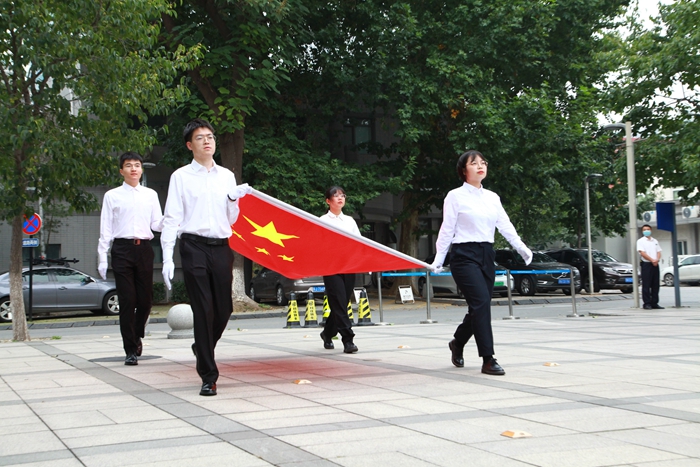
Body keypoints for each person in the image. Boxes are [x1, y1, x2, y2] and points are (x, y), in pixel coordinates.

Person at [161, 118, 251, 396]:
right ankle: (208, 376)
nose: (207, 141)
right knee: (203, 308)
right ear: (190, 145)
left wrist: (234, 200)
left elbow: (232, 219)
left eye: (210, 136)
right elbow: (171, 218)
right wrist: (166, 257)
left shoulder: (226, 176)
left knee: (224, 309)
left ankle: (202, 347)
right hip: (193, 246)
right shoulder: (180, 177)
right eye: (200, 138)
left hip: (221, 246)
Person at [430, 150, 532, 376]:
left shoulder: (492, 197)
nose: (480, 166)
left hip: (486, 254)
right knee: (481, 303)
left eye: (483, 162)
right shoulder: (455, 196)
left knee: (480, 306)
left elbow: (505, 225)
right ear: (463, 170)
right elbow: (447, 229)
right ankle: (488, 359)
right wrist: (439, 258)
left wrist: (521, 248)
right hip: (463, 255)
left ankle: (458, 342)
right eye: (474, 163)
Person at [98, 151, 163, 366]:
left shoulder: (150, 195)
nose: (133, 168)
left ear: (141, 169)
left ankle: (137, 333)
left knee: (145, 300)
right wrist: (102, 257)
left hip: (144, 249)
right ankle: (130, 349)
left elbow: (156, 224)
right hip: (122, 249)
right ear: (121, 171)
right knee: (127, 300)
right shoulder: (112, 196)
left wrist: (173, 222)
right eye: (128, 165)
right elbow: (106, 228)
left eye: (137, 165)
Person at [318, 186, 362, 354]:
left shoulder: (350, 221)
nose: (340, 198)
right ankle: (348, 339)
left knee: (341, 303)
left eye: (342, 195)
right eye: (336, 196)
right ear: (328, 201)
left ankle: (327, 333)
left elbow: (359, 242)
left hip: (349, 266)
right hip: (331, 267)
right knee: (338, 300)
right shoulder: (322, 220)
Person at [637, 224, 663, 310]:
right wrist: (652, 260)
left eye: (648, 229)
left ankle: (654, 303)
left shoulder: (655, 241)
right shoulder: (640, 241)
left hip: (655, 264)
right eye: (644, 230)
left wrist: (657, 260)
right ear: (642, 231)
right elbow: (642, 253)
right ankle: (647, 303)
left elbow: (659, 251)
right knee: (646, 284)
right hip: (646, 264)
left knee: (655, 284)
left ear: (651, 230)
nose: (646, 231)